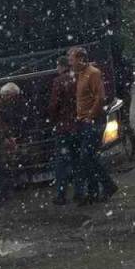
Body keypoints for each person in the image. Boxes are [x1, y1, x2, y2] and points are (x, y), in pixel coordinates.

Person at [70, 47, 117, 203]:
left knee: (87, 157)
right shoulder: (80, 74)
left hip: (93, 121)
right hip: (83, 121)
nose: (70, 63)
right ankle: (94, 191)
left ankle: (107, 185)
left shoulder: (93, 73)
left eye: (72, 59)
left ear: (81, 59)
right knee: (87, 158)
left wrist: (90, 116)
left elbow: (100, 97)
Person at [47, 56, 80, 205]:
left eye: (57, 66)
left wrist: (52, 119)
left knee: (61, 162)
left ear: (61, 66)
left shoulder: (59, 81)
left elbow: (54, 105)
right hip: (78, 125)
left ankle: (61, 194)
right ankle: (80, 192)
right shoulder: (78, 78)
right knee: (77, 160)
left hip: (64, 127)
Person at [113, 44, 135, 161]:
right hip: (124, 94)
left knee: (123, 122)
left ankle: (134, 148)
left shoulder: (116, 63)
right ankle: (132, 148)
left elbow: (123, 79)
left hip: (121, 94)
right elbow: (129, 79)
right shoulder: (125, 61)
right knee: (124, 122)